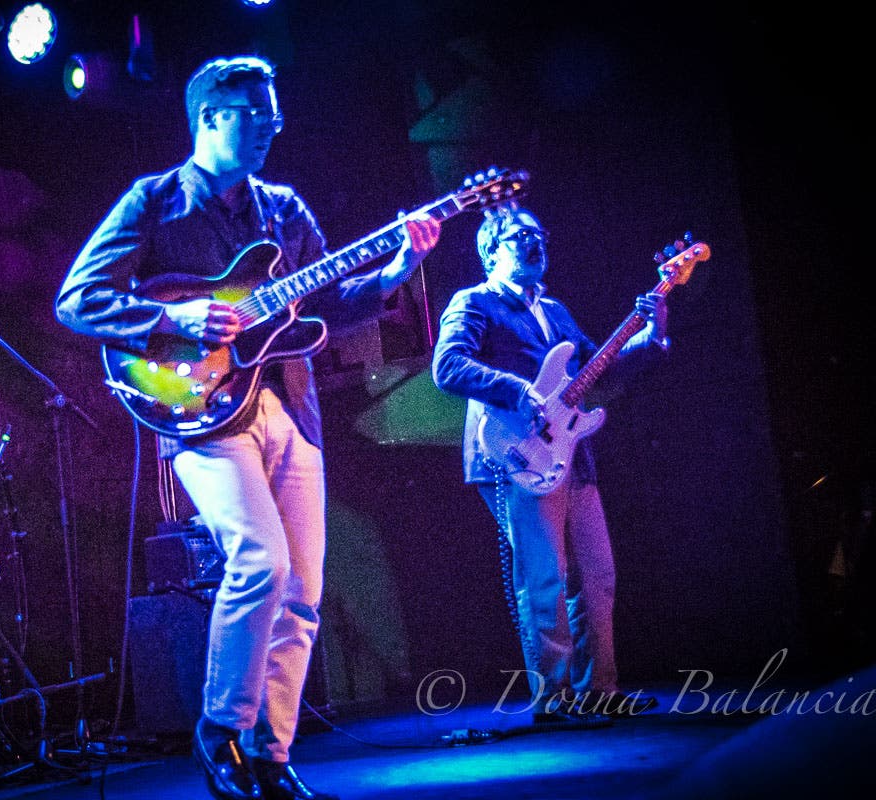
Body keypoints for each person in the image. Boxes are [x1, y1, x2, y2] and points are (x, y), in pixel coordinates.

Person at [56, 55, 439, 800]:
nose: (271, 128)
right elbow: (78, 298)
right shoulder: (155, 200)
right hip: (196, 410)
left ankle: (270, 755)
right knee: (260, 561)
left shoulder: (284, 211)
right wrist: (173, 316)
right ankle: (219, 730)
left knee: (302, 588)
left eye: (276, 117)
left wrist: (395, 272)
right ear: (210, 118)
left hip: (290, 407)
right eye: (255, 116)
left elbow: (327, 304)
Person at [431, 205, 665, 723]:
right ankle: (554, 698)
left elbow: (598, 371)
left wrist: (652, 332)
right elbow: (446, 367)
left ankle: (600, 689)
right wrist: (518, 390)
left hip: (571, 455)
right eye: (521, 237)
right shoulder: (474, 303)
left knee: (597, 575)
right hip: (514, 455)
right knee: (545, 578)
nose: (536, 243)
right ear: (491, 249)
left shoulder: (555, 310)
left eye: (541, 235)